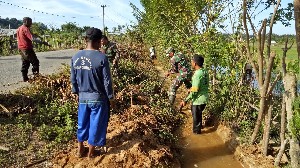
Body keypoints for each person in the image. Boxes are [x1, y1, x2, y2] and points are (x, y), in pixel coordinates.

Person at [71, 28, 114, 158]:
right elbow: (107, 81)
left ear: (86, 40)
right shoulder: (102, 57)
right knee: (96, 123)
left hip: (83, 97)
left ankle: (80, 150)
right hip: (98, 98)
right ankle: (91, 152)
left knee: (82, 122)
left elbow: (73, 79)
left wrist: (75, 92)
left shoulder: (75, 57)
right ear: (99, 41)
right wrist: (111, 96)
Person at [180, 54, 209, 134]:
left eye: (192, 61)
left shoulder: (197, 74)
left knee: (196, 126)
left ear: (195, 63)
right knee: (199, 115)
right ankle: (199, 126)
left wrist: (185, 100)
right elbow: (201, 86)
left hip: (197, 101)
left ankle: (197, 136)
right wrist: (191, 89)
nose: (191, 63)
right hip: (204, 99)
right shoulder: (205, 72)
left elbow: (195, 91)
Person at [17, 17, 39, 82]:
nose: (31, 23)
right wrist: (43, 42)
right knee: (35, 62)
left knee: (25, 62)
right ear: (26, 21)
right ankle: (36, 78)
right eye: (30, 22)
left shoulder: (19, 28)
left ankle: (25, 78)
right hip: (27, 49)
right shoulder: (25, 29)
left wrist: (34, 34)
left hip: (21, 48)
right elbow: (32, 38)